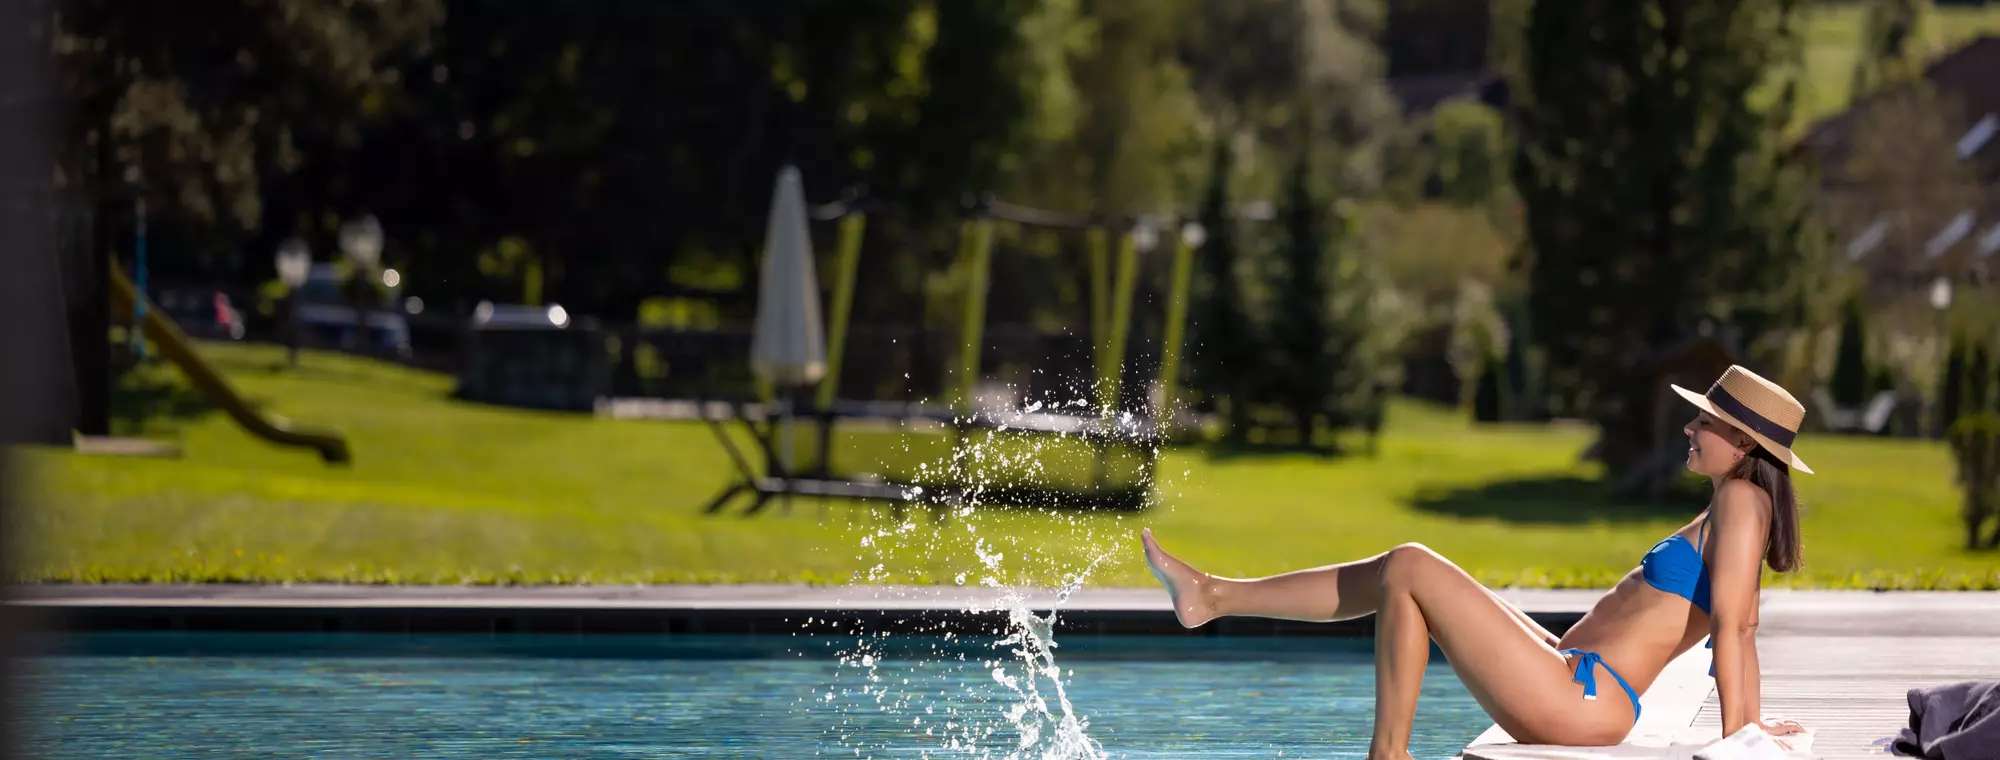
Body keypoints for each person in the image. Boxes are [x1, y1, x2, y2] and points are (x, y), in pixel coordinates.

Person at [1141, 365, 1812, 758]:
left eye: (1705, 422)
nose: (1691, 429)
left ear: (1743, 441)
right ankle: (1215, 596)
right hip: (1573, 676)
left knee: (1410, 563)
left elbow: (1737, 626)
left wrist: (1741, 739)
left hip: (1583, 699)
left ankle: (1388, 755)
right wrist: (1748, 727)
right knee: (1400, 578)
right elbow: (1733, 622)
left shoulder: (1743, 502)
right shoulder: (1732, 502)